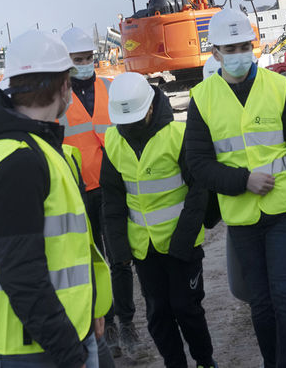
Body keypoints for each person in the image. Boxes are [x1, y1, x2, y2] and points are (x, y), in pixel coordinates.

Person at [0, 29, 112, 367]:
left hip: (58, 331)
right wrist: (70, 353)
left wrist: (90, 309)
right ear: (63, 85)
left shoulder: (35, 146)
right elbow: (22, 273)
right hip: (28, 347)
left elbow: (70, 247)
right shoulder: (19, 159)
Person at [185, 7, 286, 368]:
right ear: (216, 53)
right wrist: (243, 181)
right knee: (262, 302)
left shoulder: (278, 86)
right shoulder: (202, 98)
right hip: (241, 216)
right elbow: (198, 164)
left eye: (244, 46)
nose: (238, 54)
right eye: (230, 48)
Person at [101, 72, 216, 368]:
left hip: (182, 244)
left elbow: (198, 192)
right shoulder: (113, 140)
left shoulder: (178, 136)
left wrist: (183, 239)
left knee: (186, 308)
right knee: (158, 313)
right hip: (144, 248)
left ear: (151, 107)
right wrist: (119, 251)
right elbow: (112, 202)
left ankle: (205, 361)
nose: (129, 127)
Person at [60, 26, 142, 360]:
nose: (84, 64)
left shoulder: (109, 87)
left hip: (112, 189)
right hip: (78, 193)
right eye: (77, 60)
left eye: (86, 58)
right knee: (92, 262)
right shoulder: (59, 98)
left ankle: (127, 321)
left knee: (120, 259)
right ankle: (104, 321)